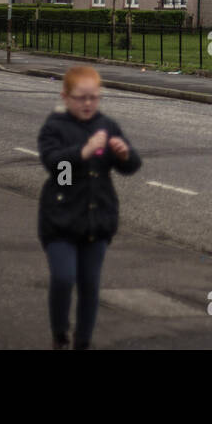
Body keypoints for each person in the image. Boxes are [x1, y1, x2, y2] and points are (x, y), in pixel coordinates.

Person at [38, 66, 141, 350]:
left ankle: (83, 341)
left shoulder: (106, 125)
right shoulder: (55, 126)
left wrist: (124, 154)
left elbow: (132, 166)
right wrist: (81, 153)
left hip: (97, 220)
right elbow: (57, 171)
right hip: (60, 220)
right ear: (66, 96)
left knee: (89, 284)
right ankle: (60, 334)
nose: (87, 104)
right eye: (81, 98)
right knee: (63, 277)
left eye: (93, 98)